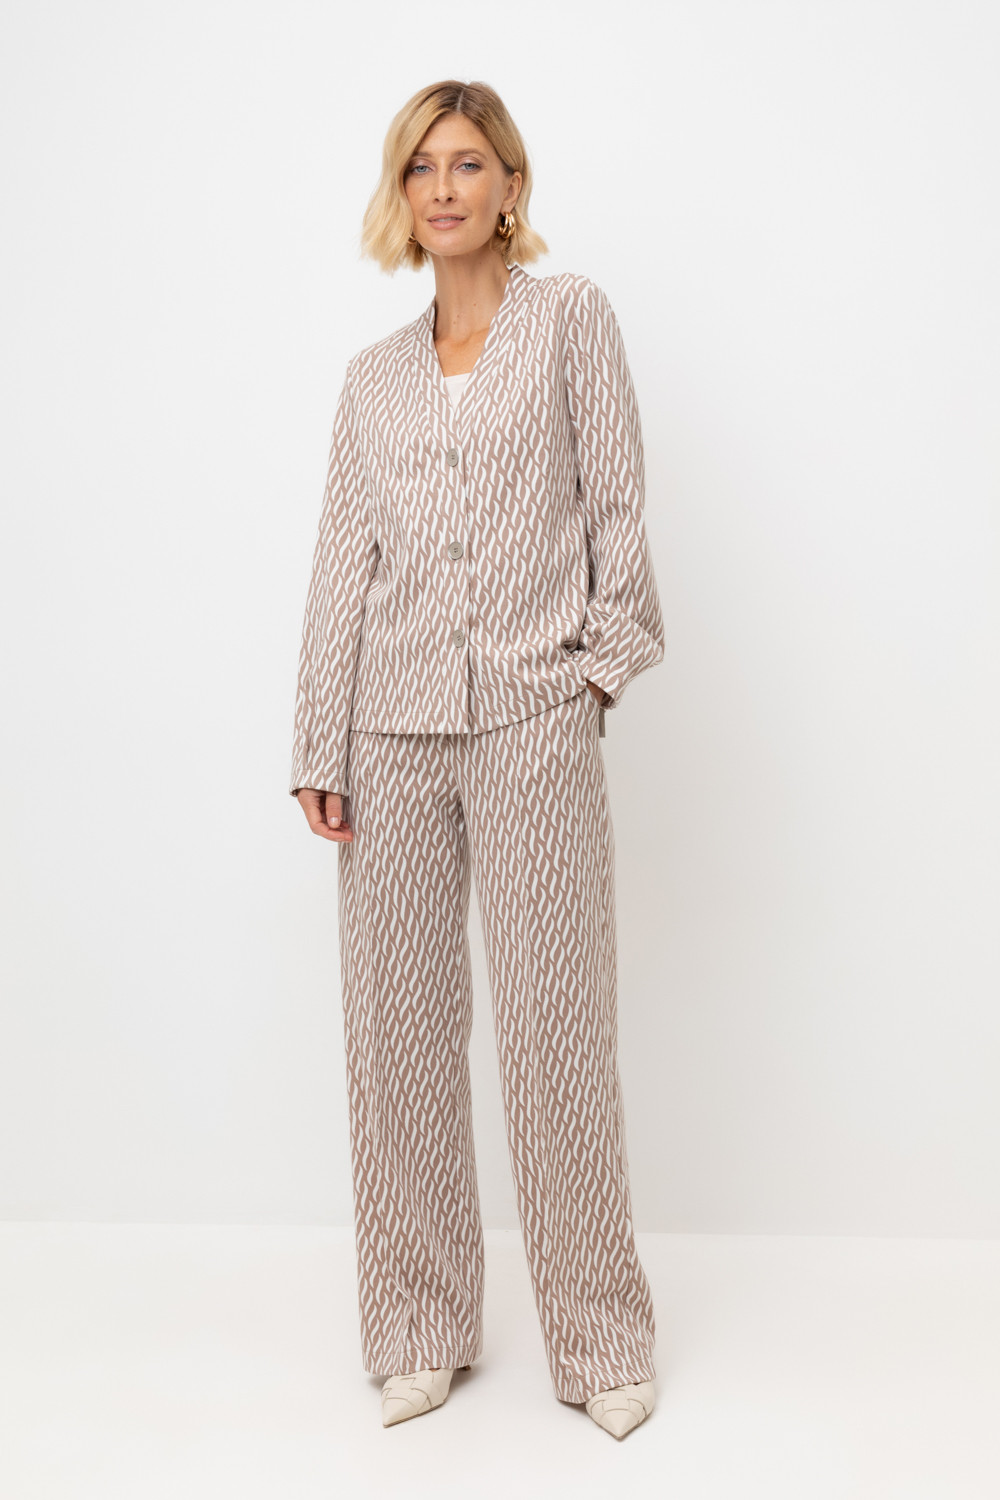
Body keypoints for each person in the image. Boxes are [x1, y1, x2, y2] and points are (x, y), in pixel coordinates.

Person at [289, 78, 665, 1441]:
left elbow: (618, 513)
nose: (442, 189)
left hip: (531, 724)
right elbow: (343, 565)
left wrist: (590, 676)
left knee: (558, 1032)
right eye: (419, 168)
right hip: (386, 734)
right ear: (401, 196)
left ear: (511, 184)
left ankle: (601, 1336)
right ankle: (417, 1325)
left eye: (466, 164)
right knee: (397, 1037)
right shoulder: (371, 380)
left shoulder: (571, 323)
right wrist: (318, 739)